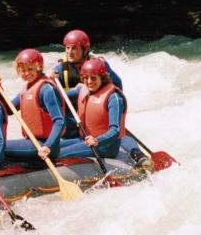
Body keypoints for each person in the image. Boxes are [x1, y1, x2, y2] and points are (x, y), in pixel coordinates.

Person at [51, 29, 150, 165]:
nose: (69, 52)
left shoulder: (100, 65)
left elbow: (117, 86)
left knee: (120, 133)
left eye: (74, 48)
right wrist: (51, 80)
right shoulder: (60, 69)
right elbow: (50, 94)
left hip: (98, 112)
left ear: (85, 49)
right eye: (67, 48)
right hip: (73, 120)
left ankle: (138, 155)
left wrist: (108, 104)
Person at [0, 49, 65, 161]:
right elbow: (9, 110)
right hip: (32, 142)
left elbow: (60, 121)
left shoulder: (46, 89)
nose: (26, 73)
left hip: (46, 145)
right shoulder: (26, 89)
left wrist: (48, 146)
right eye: (23, 70)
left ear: (39, 67)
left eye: (30, 69)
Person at [58, 59, 127, 160]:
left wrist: (97, 141)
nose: (89, 82)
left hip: (105, 146)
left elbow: (115, 130)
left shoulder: (114, 98)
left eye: (93, 78)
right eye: (85, 78)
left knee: (59, 154)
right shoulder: (83, 90)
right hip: (85, 140)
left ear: (102, 78)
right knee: (53, 148)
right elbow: (59, 97)